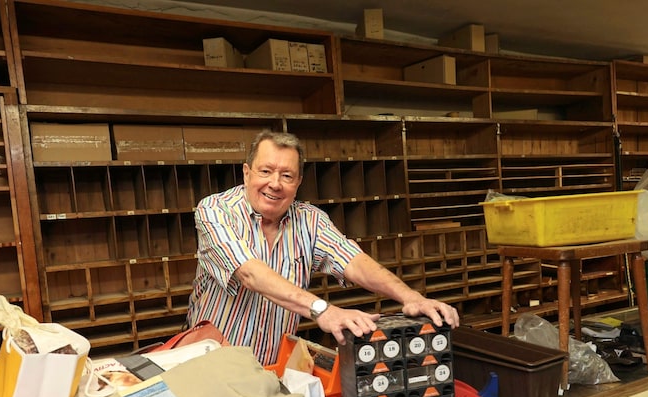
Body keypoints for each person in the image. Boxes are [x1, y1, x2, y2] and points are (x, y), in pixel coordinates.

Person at [186, 129, 459, 366]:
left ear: (298, 183)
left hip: (269, 367)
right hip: (210, 364)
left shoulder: (310, 219)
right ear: (247, 173)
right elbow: (249, 273)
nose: (275, 184)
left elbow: (353, 260)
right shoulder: (214, 210)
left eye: (287, 175)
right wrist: (322, 310)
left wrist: (410, 296)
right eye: (266, 171)